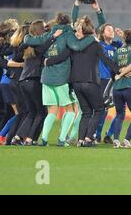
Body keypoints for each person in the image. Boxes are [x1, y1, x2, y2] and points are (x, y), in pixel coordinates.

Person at [45, 16, 120, 147]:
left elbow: (61, 57)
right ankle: (88, 139)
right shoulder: (95, 44)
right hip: (90, 82)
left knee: (86, 112)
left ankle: (80, 140)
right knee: (98, 109)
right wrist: (120, 70)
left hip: (76, 83)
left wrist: (47, 61)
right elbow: (107, 61)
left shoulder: (74, 45)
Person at [23, 12, 95, 147]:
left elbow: (28, 40)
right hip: (61, 77)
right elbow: (78, 46)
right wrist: (92, 38)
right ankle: (62, 139)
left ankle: (44, 139)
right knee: (70, 109)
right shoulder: (68, 35)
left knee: (52, 111)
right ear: (68, 23)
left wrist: (27, 31)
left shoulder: (49, 34)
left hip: (46, 77)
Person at [12, 20, 62, 145]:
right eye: (44, 27)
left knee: (32, 112)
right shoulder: (39, 44)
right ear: (40, 29)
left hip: (23, 80)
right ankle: (30, 139)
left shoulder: (27, 44)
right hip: (34, 80)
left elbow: (17, 54)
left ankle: (17, 137)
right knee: (41, 112)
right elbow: (42, 49)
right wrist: (53, 37)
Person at [110, 30, 131, 149]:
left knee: (119, 115)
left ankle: (116, 140)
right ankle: (127, 140)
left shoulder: (117, 51)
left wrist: (121, 70)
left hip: (117, 88)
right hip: (130, 86)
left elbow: (112, 69)